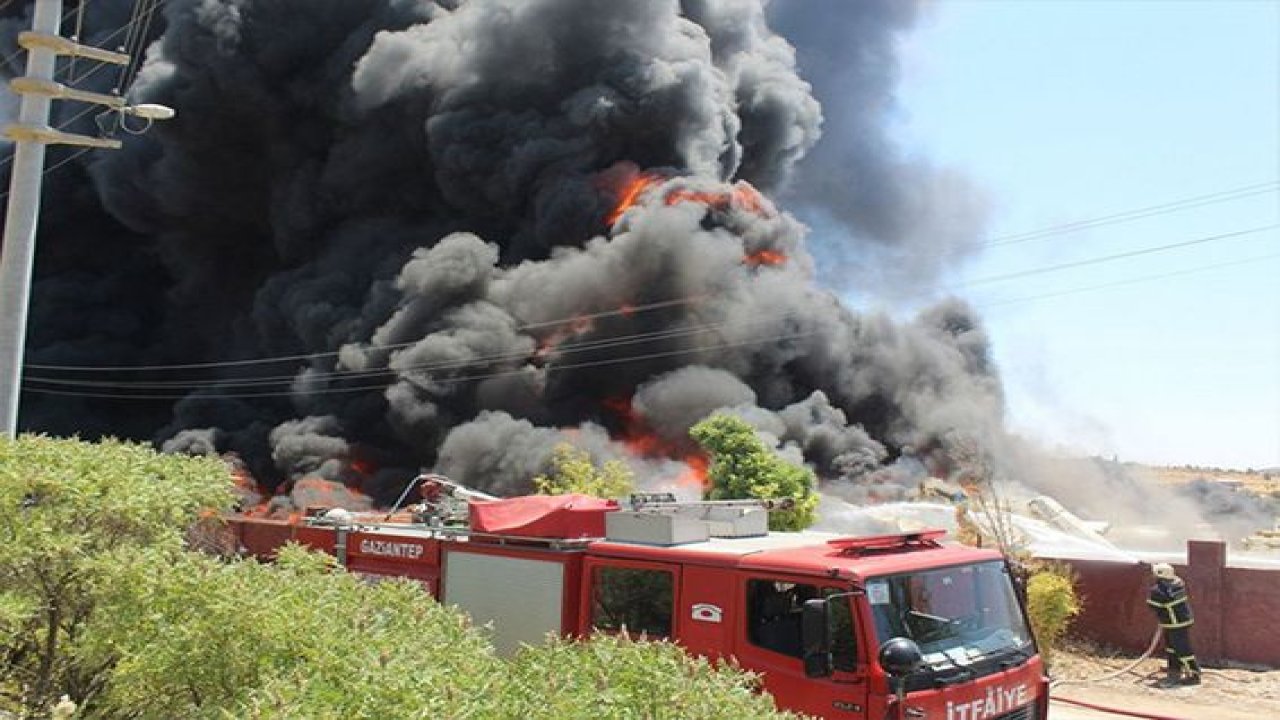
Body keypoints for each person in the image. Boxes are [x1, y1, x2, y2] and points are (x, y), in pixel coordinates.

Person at [1146, 563, 1201, 686]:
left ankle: (1194, 675)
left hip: (1174, 623)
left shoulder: (1159, 590)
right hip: (1183, 619)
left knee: (1182, 649)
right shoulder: (1178, 582)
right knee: (1172, 648)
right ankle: (1174, 669)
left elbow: (1153, 605)